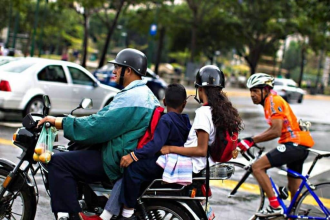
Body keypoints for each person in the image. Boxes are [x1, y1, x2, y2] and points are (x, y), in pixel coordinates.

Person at [37, 48, 160, 220]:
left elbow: (98, 127)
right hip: (125, 151)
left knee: (58, 162)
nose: (114, 71)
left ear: (129, 70)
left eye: (118, 67)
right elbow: (103, 120)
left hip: (115, 158)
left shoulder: (133, 97)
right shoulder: (145, 95)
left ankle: (70, 216)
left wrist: (60, 122)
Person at [119, 65, 243, 219]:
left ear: (201, 89)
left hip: (191, 163)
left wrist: (170, 148)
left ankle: (127, 213)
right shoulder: (217, 112)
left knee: (135, 168)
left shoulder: (204, 113)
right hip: (200, 163)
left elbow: (201, 150)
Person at [80, 83, 191, 220]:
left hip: (164, 163)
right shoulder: (185, 120)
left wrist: (134, 155)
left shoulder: (166, 120)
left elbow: (155, 144)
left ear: (164, 101)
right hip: (174, 162)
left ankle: (127, 212)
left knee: (133, 169)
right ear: (184, 103)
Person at [237, 73, 314, 217]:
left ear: (265, 90)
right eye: (250, 91)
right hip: (299, 145)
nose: (252, 94)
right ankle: (296, 214)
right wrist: (254, 139)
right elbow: (274, 129)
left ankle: (274, 205)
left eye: (255, 90)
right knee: (293, 187)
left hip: (294, 144)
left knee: (257, 167)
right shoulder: (270, 102)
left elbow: (276, 131)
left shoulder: (273, 101)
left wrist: (252, 140)